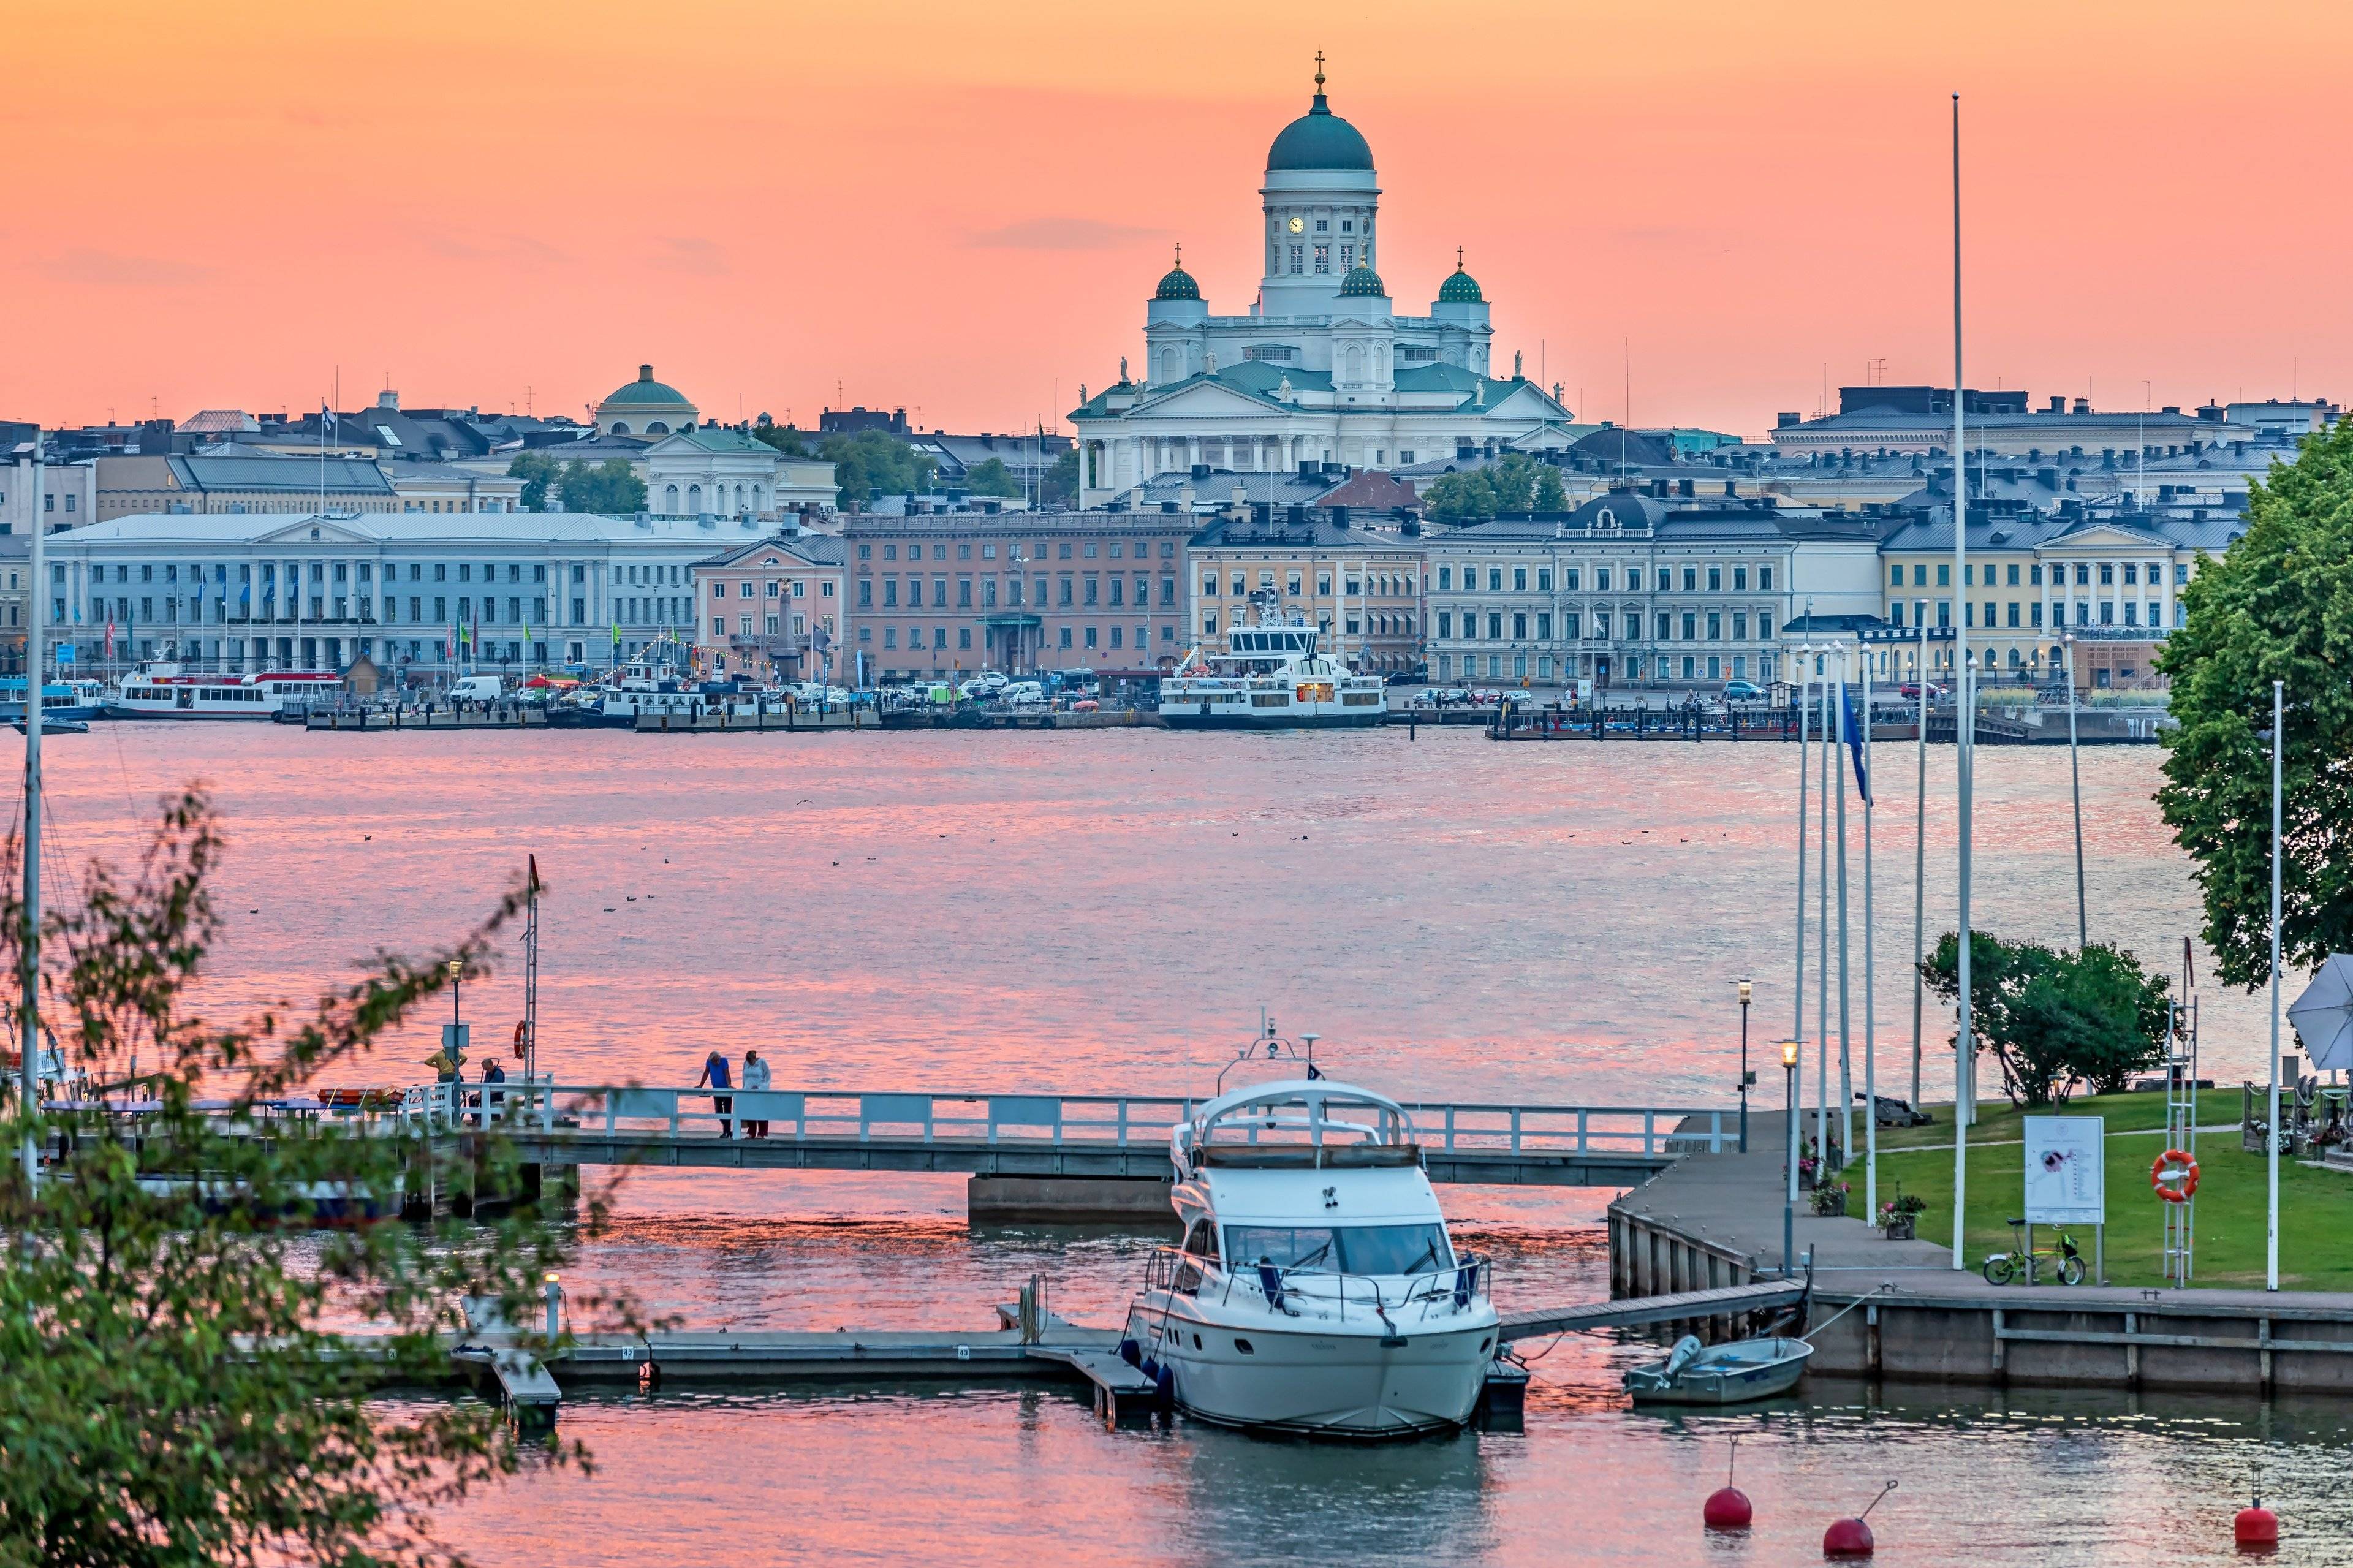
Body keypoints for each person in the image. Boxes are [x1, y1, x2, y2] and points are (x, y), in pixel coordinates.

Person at [695, 1048, 733, 1138]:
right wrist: (701, 1085)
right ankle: (728, 1131)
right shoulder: (709, 1062)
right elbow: (706, 1073)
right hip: (716, 1090)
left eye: (718, 1060)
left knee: (727, 1112)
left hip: (726, 1090)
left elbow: (727, 1073)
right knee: (718, 1112)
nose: (717, 1062)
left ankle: (726, 1132)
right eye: (715, 1061)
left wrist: (729, 1085)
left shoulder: (724, 1061)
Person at [741, 1049, 771, 1138]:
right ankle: (751, 1132)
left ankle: (762, 1133)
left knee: (761, 1111)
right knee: (750, 1111)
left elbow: (768, 1075)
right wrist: (744, 1089)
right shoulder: (745, 1063)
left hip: (760, 1090)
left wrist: (764, 1087)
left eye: (751, 1061)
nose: (749, 1063)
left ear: (754, 1059)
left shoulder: (762, 1062)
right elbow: (744, 1077)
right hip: (748, 1091)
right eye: (748, 1062)